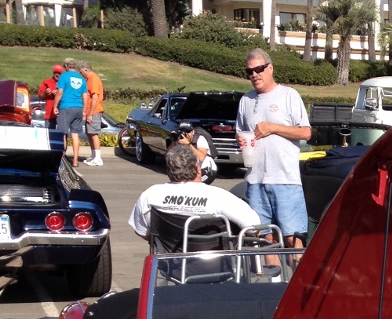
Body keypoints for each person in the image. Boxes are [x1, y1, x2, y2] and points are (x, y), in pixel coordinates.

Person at [236, 48, 311, 248]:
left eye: (258, 69)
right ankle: (272, 270)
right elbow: (240, 133)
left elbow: (305, 133)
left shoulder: (289, 95)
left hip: (285, 179)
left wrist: (272, 128)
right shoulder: (246, 100)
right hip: (255, 180)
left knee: (292, 238)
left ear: (270, 68)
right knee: (264, 238)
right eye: (249, 71)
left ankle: (296, 270)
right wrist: (241, 140)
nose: (254, 75)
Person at [128, 143, 262, 239]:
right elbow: (254, 226)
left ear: (169, 170)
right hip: (215, 264)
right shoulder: (218, 196)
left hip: (170, 263)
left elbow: (141, 231)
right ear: (198, 169)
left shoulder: (151, 195)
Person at [54, 58, 88, 168]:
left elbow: (60, 92)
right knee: (75, 134)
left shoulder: (64, 76)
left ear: (66, 66)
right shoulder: (82, 79)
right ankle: (75, 160)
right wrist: (84, 110)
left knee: (63, 133)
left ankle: (62, 158)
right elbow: (85, 96)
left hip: (66, 107)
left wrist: (55, 106)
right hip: (79, 108)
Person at [79, 62, 105, 167]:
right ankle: (94, 156)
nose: (81, 74)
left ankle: (98, 158)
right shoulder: (89, 79)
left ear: (85, 70)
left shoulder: (93, 79)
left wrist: (90, 114)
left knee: (94, 134)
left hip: (94, 111)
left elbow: (95, 97)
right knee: (90, 133)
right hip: (90, 111)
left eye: (81, 72)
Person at [37, 64, 62, 129]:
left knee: (62, 133)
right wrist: (45, 93)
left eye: (59, 73)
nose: (57, 74)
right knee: (49, 133)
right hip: (50, 115)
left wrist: (58, 93)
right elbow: (40, 96)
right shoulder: (46, 82)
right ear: (53, 73)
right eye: (55, 73)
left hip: (62, 114)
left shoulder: (64, 83)